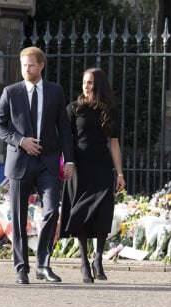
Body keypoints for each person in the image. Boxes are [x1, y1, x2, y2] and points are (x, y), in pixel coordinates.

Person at [0, 46, 74, 284]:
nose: (26, 69)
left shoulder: (55, 91)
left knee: (51, 211)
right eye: (23, 65)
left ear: (41, 66)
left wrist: (68, 160)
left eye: (31, 65)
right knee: (18, 218)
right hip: (19, 162)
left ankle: (43, 264)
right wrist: (21, 141)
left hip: (48, 161)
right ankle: (21, 268)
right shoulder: (11, 92)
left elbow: (65, 129)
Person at [59, 67, 126, 283]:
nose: (86, 87)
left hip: (102, 167)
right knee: (79, 213)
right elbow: (66, 140)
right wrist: (66, 163)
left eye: (90, 83)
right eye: (84, 82)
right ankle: (84, 262)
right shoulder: (73, 108)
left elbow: (114, 144)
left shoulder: (109, 110)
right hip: (79, 168)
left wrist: (120, 173)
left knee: (103, 211)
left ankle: (98, 257)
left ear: (99, 85)